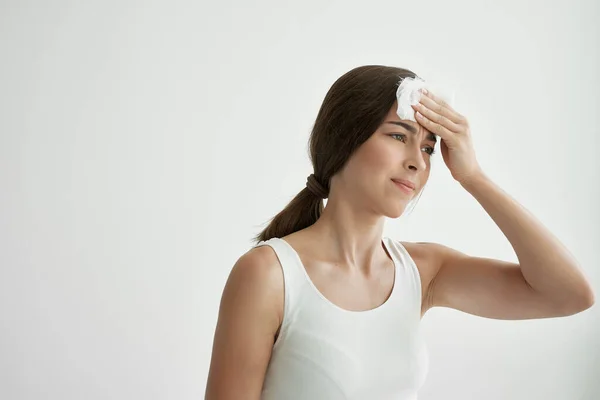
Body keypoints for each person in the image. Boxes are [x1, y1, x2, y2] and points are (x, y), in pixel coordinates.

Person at [204, 65, 595, 400]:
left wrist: (472, 176)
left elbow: (568, 295)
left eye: (427, 148)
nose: (416, 162)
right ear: (344, 140)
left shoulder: (422, 272)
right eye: (398, 135)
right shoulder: (269, 275)